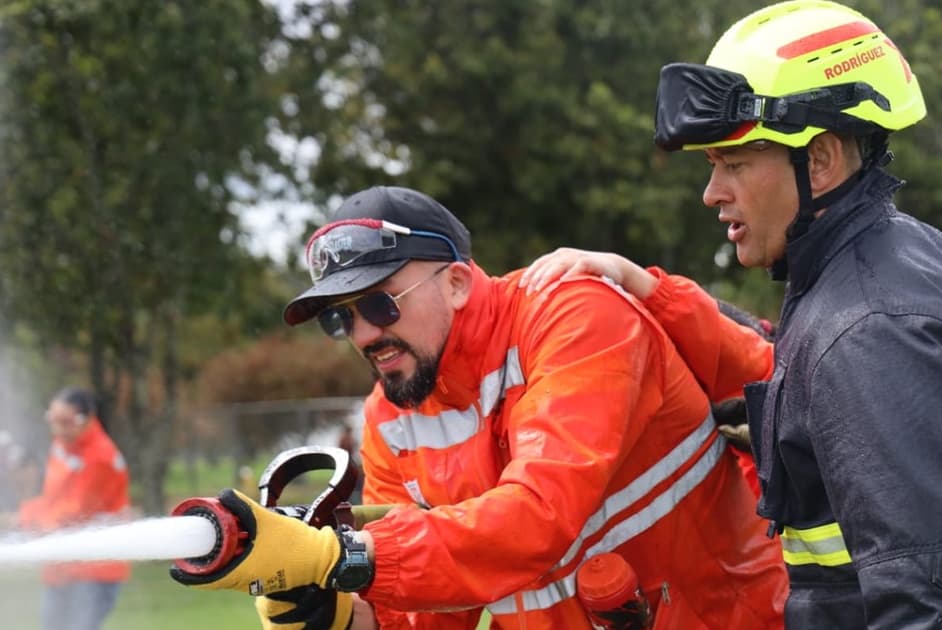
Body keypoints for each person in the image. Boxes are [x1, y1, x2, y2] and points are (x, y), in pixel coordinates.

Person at [522, 1, 942, 627]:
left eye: (733, 165)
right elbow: (809, 363)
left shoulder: (871, 330)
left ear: (820, 160)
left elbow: (939, 603)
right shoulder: (902, 257)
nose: (712, 193)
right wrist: (649, 291)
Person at [170, 185, 787, 629]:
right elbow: (429, 610)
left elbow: (540, 519)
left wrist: (349, 555)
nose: (362, 334)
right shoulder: (391, 418)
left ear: (459, 282)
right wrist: (336, 611)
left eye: (381, 304)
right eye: (341, 318)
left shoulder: (572, 313)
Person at [16, 387, 130, 630]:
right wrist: (27, 515)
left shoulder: (101, 457)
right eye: (53, 420)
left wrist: (25, 520)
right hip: (61, 565)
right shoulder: (62, 443)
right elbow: (54, 497)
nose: (57, 430)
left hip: (94, 569)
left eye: (65, 422)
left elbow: (75, 512)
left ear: (85, 420)